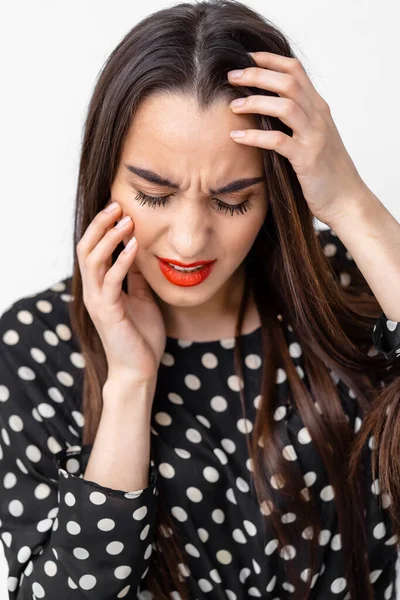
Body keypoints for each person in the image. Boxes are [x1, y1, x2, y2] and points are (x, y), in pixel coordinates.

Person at [1, 1, 400, 599]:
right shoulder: (32, 346)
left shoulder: (356, 290)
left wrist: (349, 202)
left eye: (234, 200)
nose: (189, 240)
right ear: (104, 176)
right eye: (153, 194)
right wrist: (131, 384)